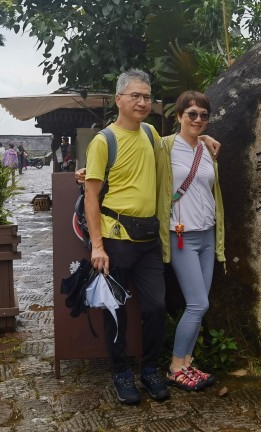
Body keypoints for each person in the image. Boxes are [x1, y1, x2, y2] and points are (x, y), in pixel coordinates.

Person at [84, 69, 170, 405]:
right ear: (118, 99)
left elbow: (175, 149)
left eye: (147, 96)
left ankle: (149, 369)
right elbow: (91, 196)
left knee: (156, 307)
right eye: (135, 95)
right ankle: (120, 371)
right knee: (115, 309)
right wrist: (97, 246)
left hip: (149, 238)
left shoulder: (150, 133)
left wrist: (202, 138)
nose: (142, 102)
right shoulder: (104, 141)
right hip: (116, 238)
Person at [155, 91, 225, 391]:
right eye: (191, 114)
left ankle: (187, 362)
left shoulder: (208, 149)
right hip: (180, 235)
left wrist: (204, 138)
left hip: (207, 234)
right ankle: (175, 367)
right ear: (179, 116)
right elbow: (134, 162)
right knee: (198, 303)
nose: (198, 119)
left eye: (203, 115)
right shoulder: (164, 146)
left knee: (199, 305)